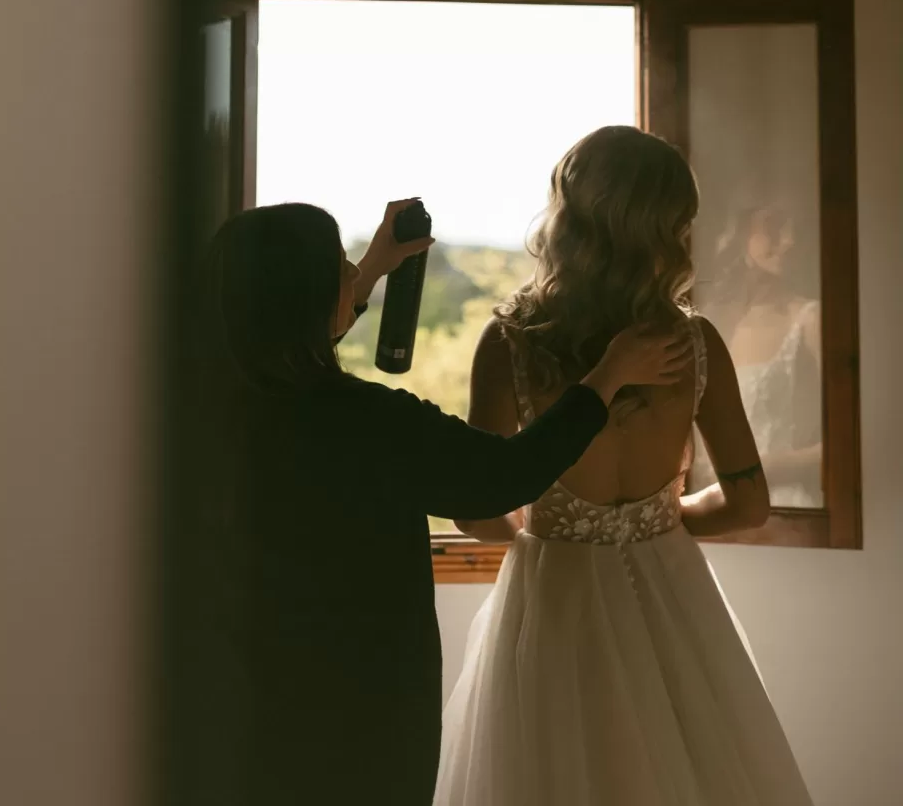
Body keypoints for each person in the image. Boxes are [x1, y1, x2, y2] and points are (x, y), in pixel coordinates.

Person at [196, 197, 691, 806]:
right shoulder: (373, 424)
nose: (355, 274)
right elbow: (503, 476)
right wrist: (606, 378)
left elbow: (284, 342)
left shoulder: (207, 410)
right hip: (363, 695)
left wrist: (375, 267)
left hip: (241, 689)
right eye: (341, 268)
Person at [434, 127, 815, 806]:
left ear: (569, 218)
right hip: (668, 589)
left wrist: (542, 524)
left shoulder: (511, 345)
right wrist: (667, 516)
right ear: (666, 230)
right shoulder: (695, 345)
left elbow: (475, 510)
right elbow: (749, 504)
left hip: (554, 595)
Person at [695, 205, 821, 506]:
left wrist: (758, 468)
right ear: (739, 236)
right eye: (774, 226)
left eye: (795, 231)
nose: (789, 241)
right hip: (705, 502)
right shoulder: (709, 321)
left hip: (783, 505)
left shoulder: (809, 319)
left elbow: (847, 442)